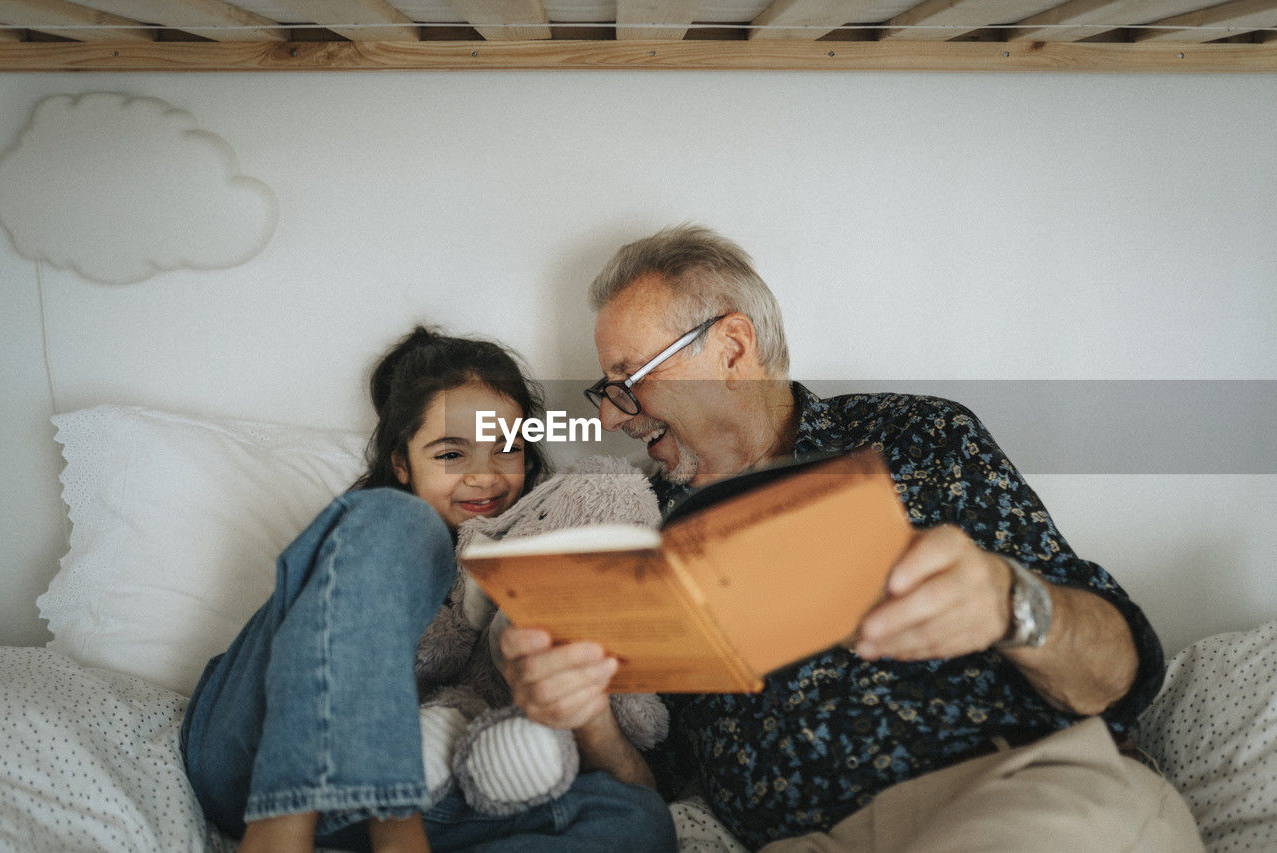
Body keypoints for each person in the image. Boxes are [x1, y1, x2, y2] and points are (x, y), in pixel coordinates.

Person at [500, 226, 1204, 851]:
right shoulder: (639, 527)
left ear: (733, 347)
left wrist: (1008, 600)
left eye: (632, 381)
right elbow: (654, 792)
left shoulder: (916, 437)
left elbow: (1122, 675)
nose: (617, 417)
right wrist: (587, 714)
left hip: (1009, 787)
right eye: (608, 389)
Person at [180, 325, 677, 853]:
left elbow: (632, 783)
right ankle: (300, 822)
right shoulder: (375, 534)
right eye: (449, 454)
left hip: (420, 803)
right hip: (253, 762)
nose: (484, 477)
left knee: (639, 820)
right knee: (400, 523)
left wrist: (585, 706)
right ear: (401, 462)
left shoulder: (541, 553)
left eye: (505, 449)